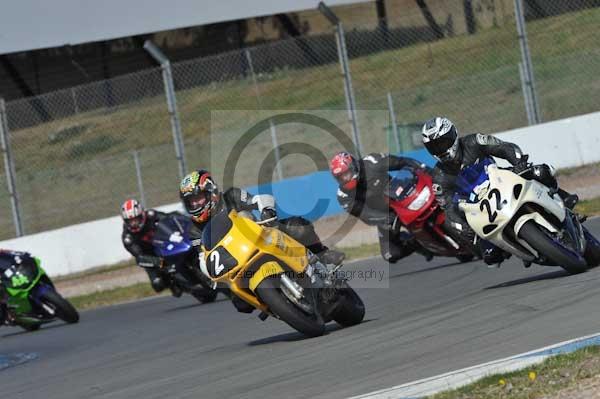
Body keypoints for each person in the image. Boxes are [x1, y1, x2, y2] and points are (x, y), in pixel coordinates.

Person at [179, 169, 345, 313]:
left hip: (262, 239)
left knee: (297, 227)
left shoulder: (231, 197)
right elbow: (203, 258)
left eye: (198, 198)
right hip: (235, 263)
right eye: (191, 202)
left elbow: (259, 199)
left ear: (211, 191)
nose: (195, 204)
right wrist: (212, 275)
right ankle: (276, 304)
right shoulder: (194, 230)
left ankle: (322, 254)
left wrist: (266, 210)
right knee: (240, 303)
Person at [421, 116, 578, 264]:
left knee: (539, 172)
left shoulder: (474, 141)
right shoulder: (439, 176)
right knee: (483, 250)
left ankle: (562, 198)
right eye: (434, 146)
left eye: (442, 142)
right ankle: (506, 246)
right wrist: (465, 229)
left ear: (453, 135)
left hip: (502, 179)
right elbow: (448, 207)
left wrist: (518, 162)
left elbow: (504, 147)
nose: (439, 148)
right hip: (478, 208)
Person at [329, 151, 434, 263]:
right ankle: (417, 244)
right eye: (340, 177)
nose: (345, 179)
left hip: (402, 199)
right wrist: (387, 218)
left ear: (354, 167)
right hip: (385, 215)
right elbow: (364, 214)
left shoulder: (372, 162)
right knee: (390, 254)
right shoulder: (344, 196)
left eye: (346, 174)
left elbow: (402, 162)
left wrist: (428, 171)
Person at [120, 199, 181, 296]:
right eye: (131, 221)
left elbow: (168, 218)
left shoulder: (151, 215)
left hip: (164, 243)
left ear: (141, 214)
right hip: (150, 256)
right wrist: (159, 263)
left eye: (136, 219)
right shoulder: (128, 238)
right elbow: (139, 256)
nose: (134, 223)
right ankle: (171, 284)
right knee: (158, 285)